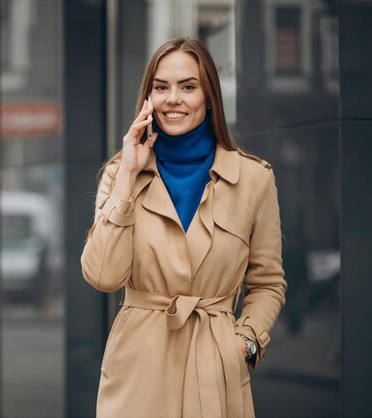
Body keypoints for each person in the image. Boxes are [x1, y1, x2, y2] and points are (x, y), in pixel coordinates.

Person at [80, 37, 287, 418]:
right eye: (161, 87)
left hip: (216, 372)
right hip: (136, 372)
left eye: (188, 86)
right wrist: (127, 175)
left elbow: (268, 283)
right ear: (148, 99)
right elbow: (103, 275)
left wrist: (243, 344)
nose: (172, 98)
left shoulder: (254, 179)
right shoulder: (119, 174)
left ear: (210, 97)